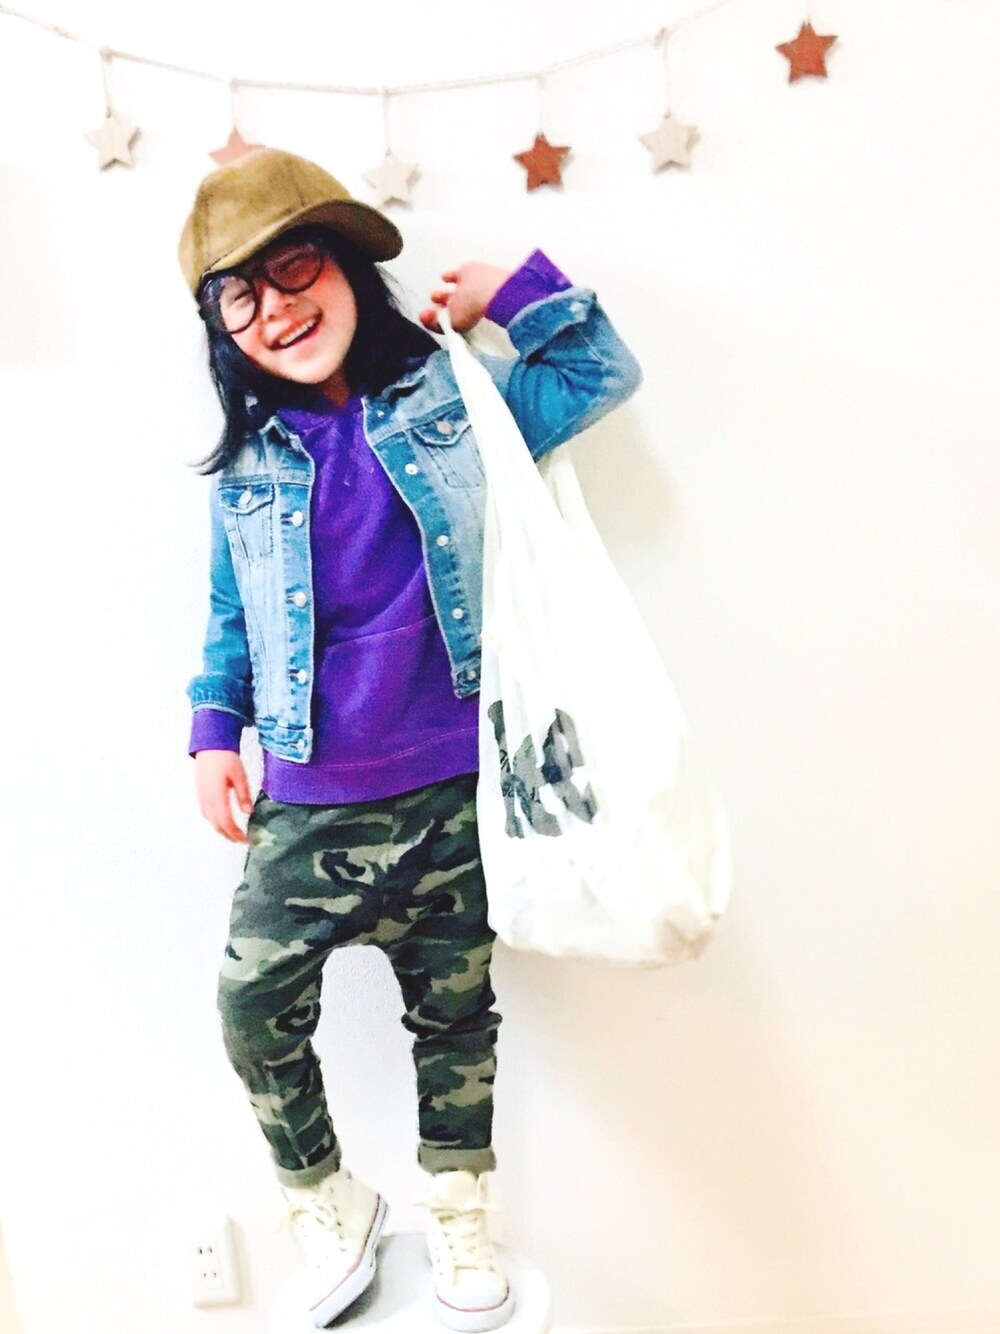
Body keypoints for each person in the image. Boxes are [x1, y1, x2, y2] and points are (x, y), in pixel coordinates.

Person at [179, 146, 642, 1331]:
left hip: (455, 787)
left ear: (346, 266)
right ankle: (328, 1199)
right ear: (223, 332)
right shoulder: (248, 467)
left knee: (455, 1018)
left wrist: (518, 290)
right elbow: (232, 611)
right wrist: (213, 728)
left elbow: (598, 369)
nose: (277, 310)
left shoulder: (455, 398)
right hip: (307, 794)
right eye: (241, 298)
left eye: (295, 270)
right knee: (251, 1005)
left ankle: (459, 1209)